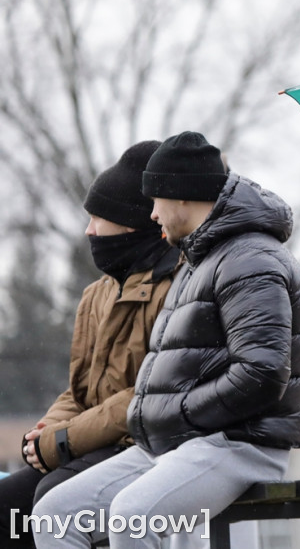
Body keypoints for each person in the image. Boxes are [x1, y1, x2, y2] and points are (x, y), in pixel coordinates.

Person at [32, 131, 300, 548]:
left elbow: (263, 371)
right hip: (178, 443)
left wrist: (178, 412)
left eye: (156, 200)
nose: (152, 214)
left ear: (182, 197)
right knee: (51, 516)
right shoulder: (198, 258)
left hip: (240, 445)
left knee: (132, 516)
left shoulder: (250, 258)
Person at [0, 141, 179, 546]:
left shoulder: (173, 288)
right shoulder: (95, 295)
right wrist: (48, 428)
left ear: (131, 224)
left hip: (136, 443)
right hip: (91, 442)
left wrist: (63, 440)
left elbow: (147, 394)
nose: (89, 231)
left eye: (98, 218)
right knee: (7, 503)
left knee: (49, 504)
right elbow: (80, 388)